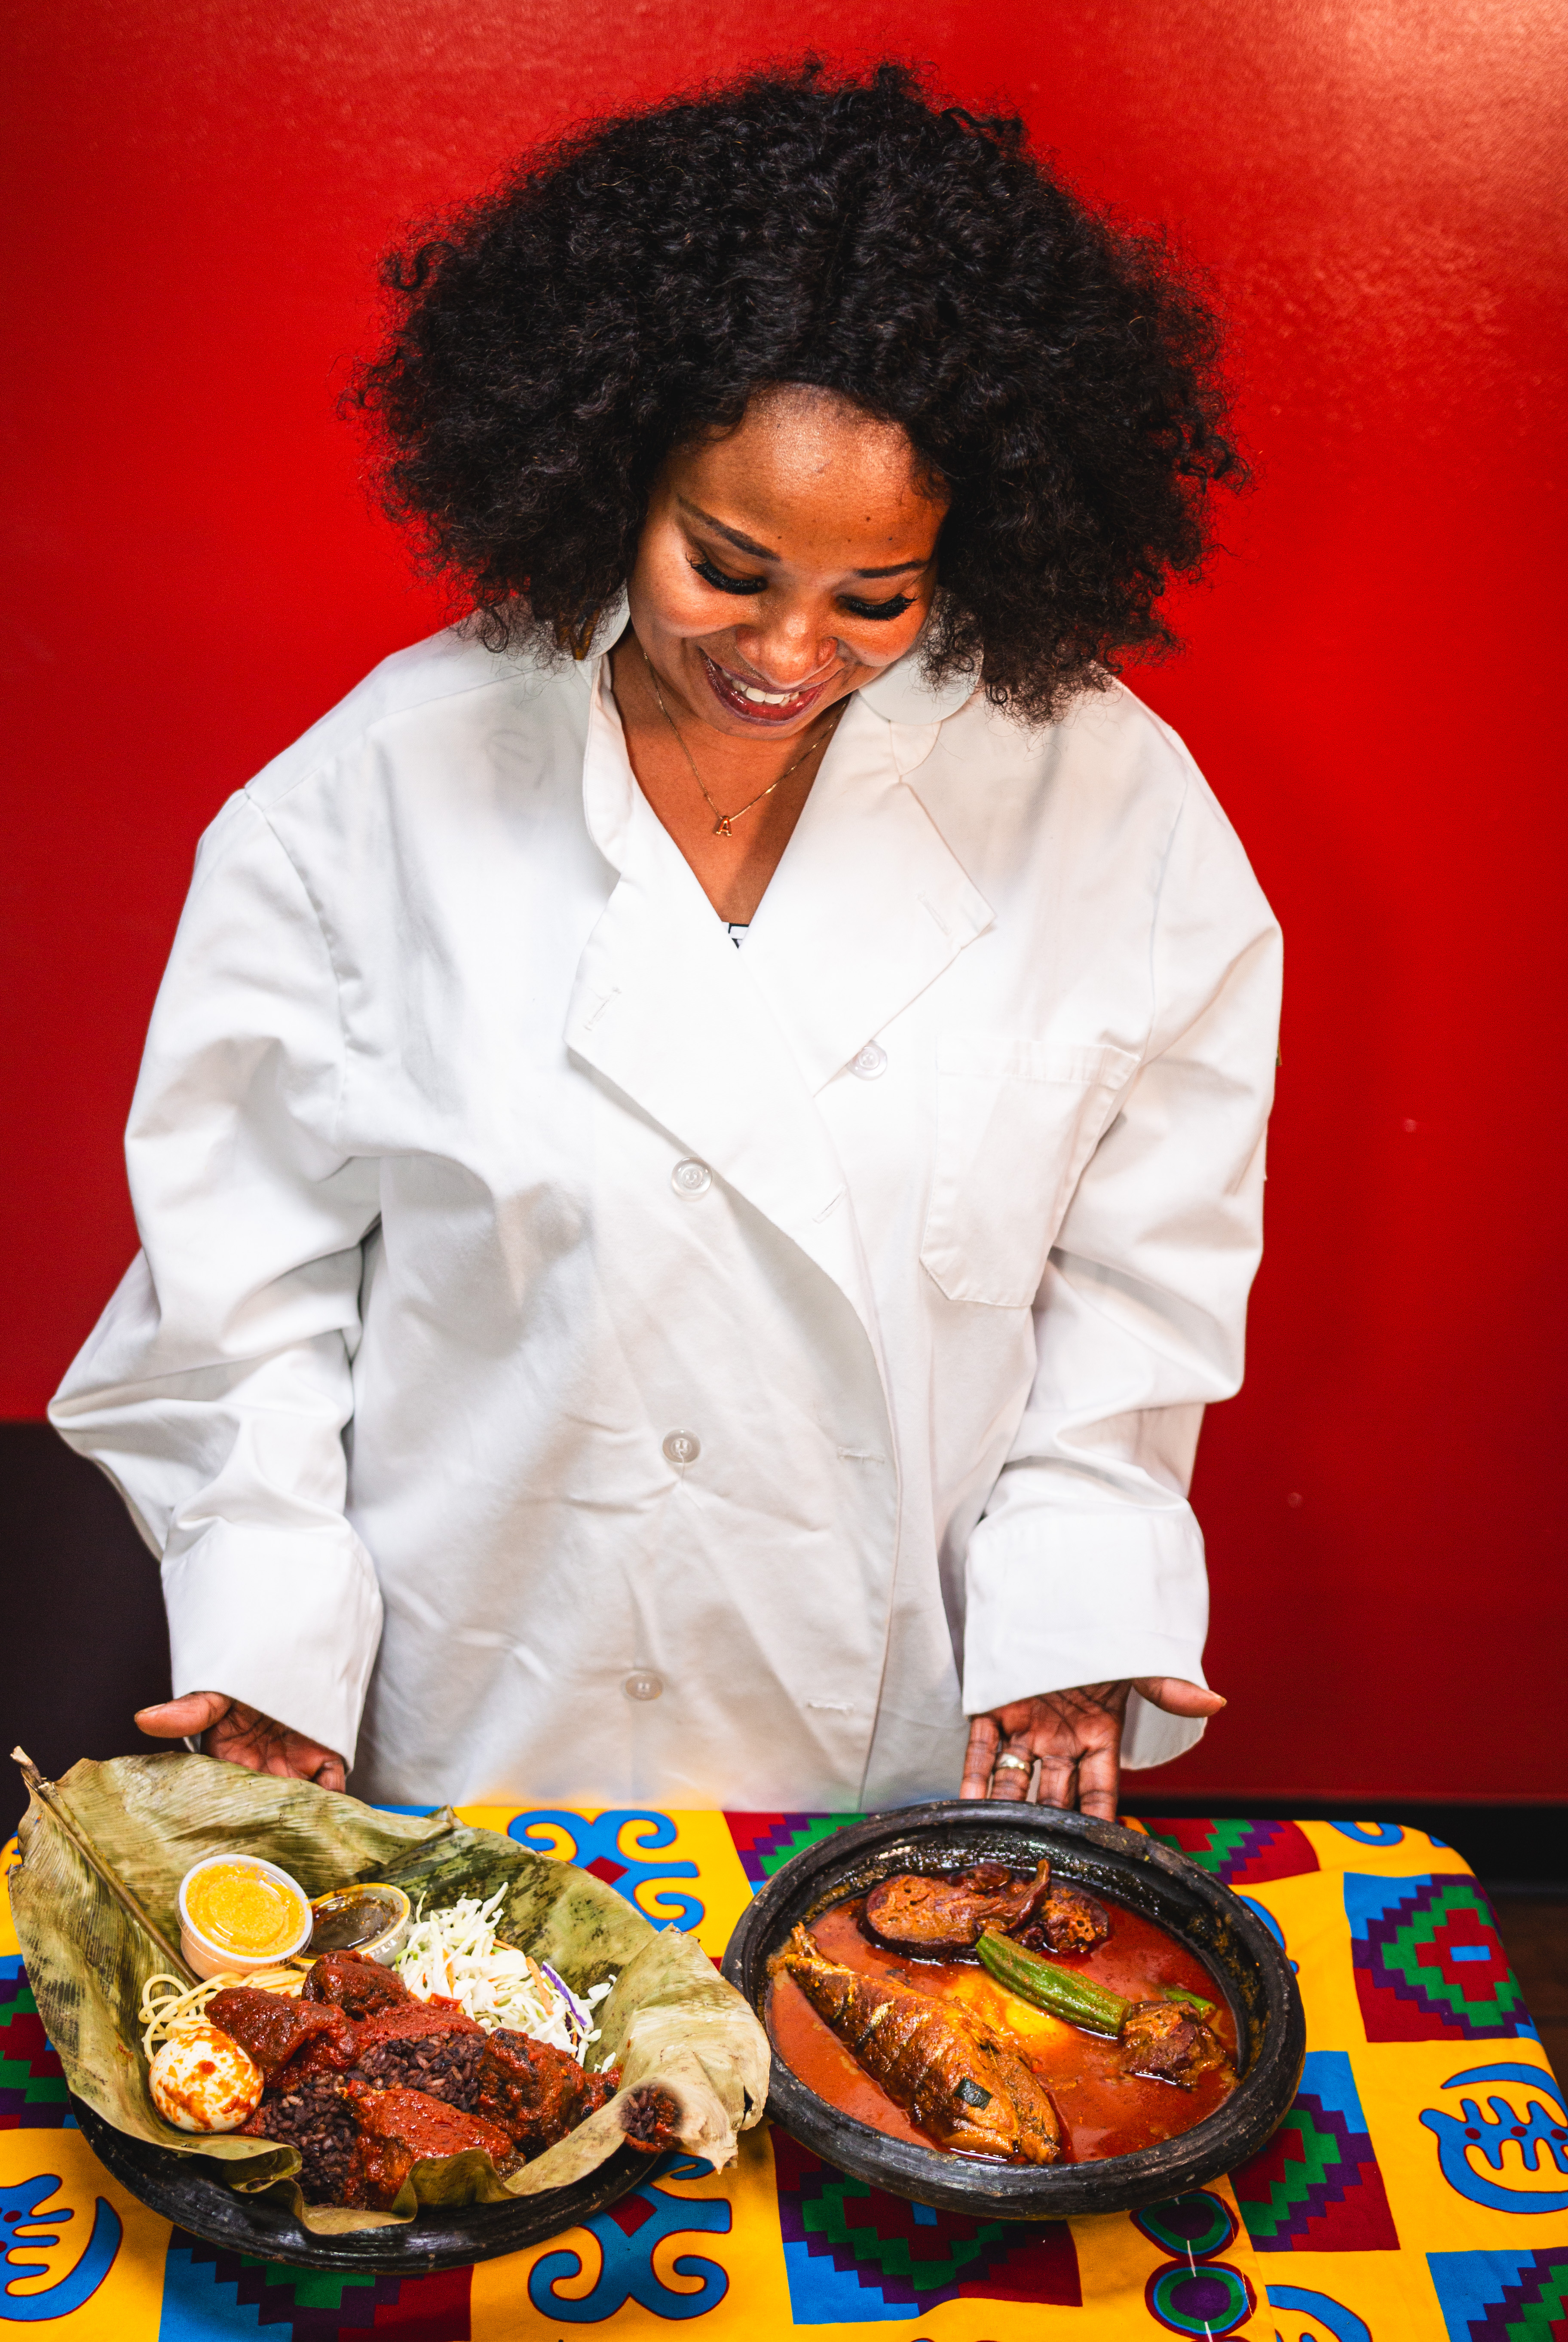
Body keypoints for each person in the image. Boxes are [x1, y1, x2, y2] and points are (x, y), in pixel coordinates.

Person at [51, 62, 1280, 1821]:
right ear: (613, 477)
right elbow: (238, 1289)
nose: (788, 649)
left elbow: (1141, 1277)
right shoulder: (368, 799)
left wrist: (1081, 1591)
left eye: (878, 597)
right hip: (479, 1696)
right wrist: (270, 1639)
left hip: (894, 1728)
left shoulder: (1110, 804)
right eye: (729, 563)